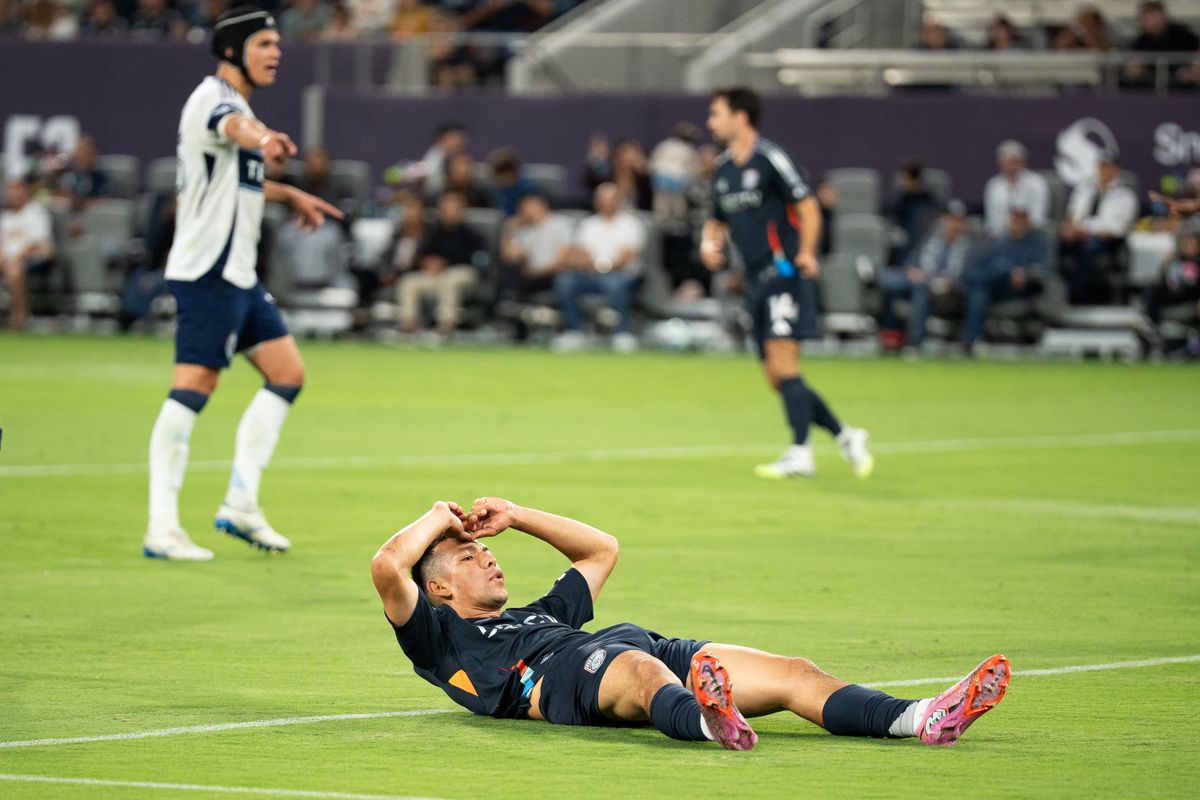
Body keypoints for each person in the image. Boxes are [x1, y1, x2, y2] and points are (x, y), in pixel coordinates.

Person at [371, 497, 1011, 750]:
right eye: (468, 556)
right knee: (644, 673)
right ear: (438, 587)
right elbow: (384, 566)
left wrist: (516, 513)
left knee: (795, 674)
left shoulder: (539, 612)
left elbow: (601, 549)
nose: (487, 556)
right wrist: (438, 518)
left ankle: (922, 717)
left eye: (486, 549)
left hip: (615, 644)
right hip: (560, 678)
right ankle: (710, 723)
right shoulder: (435, 636)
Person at [143, 7, 343, 561]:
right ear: (233, 51)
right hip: (207, 273)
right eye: (263, 44)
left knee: (287, 373)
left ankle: (240, 503)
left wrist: (291, 194)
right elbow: (239, 130)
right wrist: (266, 136)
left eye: (277, 44)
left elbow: (237, 182)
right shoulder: (216, 100)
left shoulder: (237, 105)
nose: (275, 53)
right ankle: (162, 525)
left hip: (238, 277)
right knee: (194, 387)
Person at [701, 86, 873, 480]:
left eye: (716, 114)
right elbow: (716, 219)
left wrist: (807, 253)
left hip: (783, 275)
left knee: (785, 361)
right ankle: (846, 435)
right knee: (777, 378)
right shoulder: (725, 168)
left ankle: (801, 453)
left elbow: (808, 205)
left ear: (740, 117)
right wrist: (708, 245)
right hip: (753, 283)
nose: (711, 122)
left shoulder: (771, 158)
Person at [554, 182, 645, 353]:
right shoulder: (588, 225)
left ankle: (622, 333)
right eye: (602, 199)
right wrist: (594, 265)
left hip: (624, 275)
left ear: (618, 201)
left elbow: (625, 258)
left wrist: (602, 266)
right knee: (565, 281)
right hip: (591, 276)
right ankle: (574, 332)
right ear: (596, 201)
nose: (606, 203)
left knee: (615, 283)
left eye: (610, 199)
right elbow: (582, 255)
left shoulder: (631, 225)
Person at [879, 200, 972, 353]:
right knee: (887, 281)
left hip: (947, 291)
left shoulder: (969, 247)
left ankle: (915, 343)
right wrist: (912, 270)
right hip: (917, 280)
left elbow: (968, 277)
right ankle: (890, 335)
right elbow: (911, 260)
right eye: (950, 219)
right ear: (943, 220)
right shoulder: (930, 238)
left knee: (920, 288)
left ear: (964, 223)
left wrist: (947, 281)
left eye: (958, 220)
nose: (953, 224)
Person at [396, 188, 486, 335]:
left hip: (463, 275)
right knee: (409, 281)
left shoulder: (472, 234)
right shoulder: (433, 232)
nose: (449, 212)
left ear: (461, 210)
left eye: (453, 208)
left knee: (449, 279)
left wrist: (444, 264)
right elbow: (425, 255)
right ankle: (408, 325)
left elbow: (476, 261)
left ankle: (445, 326)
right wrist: (428, 263)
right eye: (446, 208)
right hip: (436, 275)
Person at [962, 206, 1052, 353]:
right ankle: (971, 342)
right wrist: (1008, 271)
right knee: (980, 289)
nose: (1018, 224)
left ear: (1028, 222)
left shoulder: (1037, 243)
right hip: (996, 287)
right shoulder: (999, 242)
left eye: (1021, 220)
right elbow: (980, 266)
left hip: (1022, 290)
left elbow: (1046, 268)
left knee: (982, 285)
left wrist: (1025, 274)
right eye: (1015, 220)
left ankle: (971, 340)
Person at [1059, 149, 1138, 303]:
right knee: (1058, 245)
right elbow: (1071, 214)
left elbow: (1117, 228)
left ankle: (1076, 297)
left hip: (1106, 240)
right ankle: (1056, 294)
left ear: (1116, 169)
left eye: (1108, 167)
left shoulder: (1125, 195)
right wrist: (1069, 228)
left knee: (1088, 249)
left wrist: (1086, 231)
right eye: (1101, 166)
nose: (1104, 170)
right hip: (1078, 235)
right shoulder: (1084, 188)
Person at [0, 177, 55, 332]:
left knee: (14, 270)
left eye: (16, 190)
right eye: (10, 190)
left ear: (25, 192)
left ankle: (19, 317)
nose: (12, 194)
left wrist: (15, 258)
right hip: (9, 260)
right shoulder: (6, 217)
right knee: (11, 266)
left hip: (35, 260)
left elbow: (36, 243)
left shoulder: (35, 212)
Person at [1123, 1, 1199, 88]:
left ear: (1163, 16)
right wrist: (1134, 69)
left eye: (1153, 16)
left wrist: (1194, 69)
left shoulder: (1183, 35)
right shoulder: (1140, 41)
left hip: (1184, 87)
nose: (1151, 22)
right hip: (1150, 87)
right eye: (1146, 18)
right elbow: (1132, 64)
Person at [983, 140, 1049, 239]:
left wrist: (1019, 228)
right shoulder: (993, 185)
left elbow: (1039, 216)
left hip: (1031, 236)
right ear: (1000, 162)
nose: (1011, 165)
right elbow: (991, 219)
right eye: (1008, 161)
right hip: (1001, 238)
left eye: (1015, 161)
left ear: (1023, 162)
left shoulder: (1037, 183)